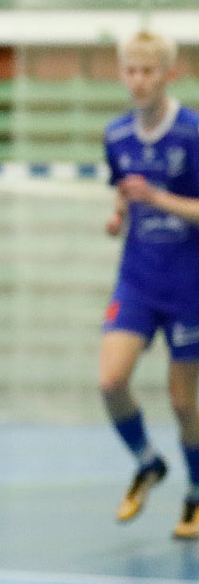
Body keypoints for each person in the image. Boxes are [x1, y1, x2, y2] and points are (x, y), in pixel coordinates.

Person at [98, 30, 199, 539]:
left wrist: (159, 199)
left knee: (184, 404)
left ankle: (197, 492)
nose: (138, 81)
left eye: (148, 71)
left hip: (188, 285)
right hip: (137, 278)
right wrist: (119, 213)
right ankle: (147, 461)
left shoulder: (192, 132)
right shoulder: (116, 135)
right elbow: (123, 191)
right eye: (130, 71)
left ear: (168, 74)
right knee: (111, 381)